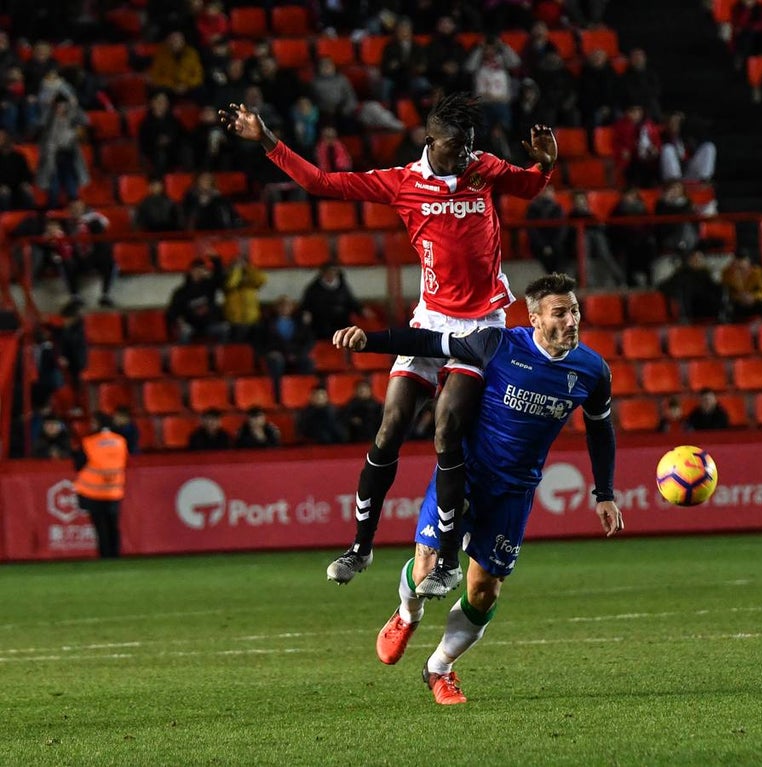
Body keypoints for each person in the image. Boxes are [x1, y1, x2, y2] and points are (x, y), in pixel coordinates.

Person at [220, 92, 558, 596]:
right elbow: (321, 182)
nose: (464, 155)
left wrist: (545, 164)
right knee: (391, 426)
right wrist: (267, 140)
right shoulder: (403, 183)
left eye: (469, 145)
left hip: (482, 325)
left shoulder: (484, 168)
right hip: (430, 318)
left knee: (447, 430)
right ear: (430, 140)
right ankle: (360, 547)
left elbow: (529, 187)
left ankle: (444, 560)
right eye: (454, 146)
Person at [331, 273, 622, 704]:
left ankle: (439, 668)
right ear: (536, 319)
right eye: (560, 312)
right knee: (426, 567)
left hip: (514, 491)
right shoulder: (497, 344)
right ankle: (407, 614)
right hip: (463, 475)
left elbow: (601, 432)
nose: (572, 320)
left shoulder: (593, 371)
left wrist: (605, 493)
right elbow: (430, 343)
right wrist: (367, 341)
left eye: (575, 310)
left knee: (483, 592)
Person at [72, 413, 128, 558]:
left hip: (93, 491)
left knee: (100, 526)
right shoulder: (120, 441)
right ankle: (115, 554)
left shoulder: (89, 442)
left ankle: (105, 554)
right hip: (114, 490)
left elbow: (79, 464)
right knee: (113, 525)